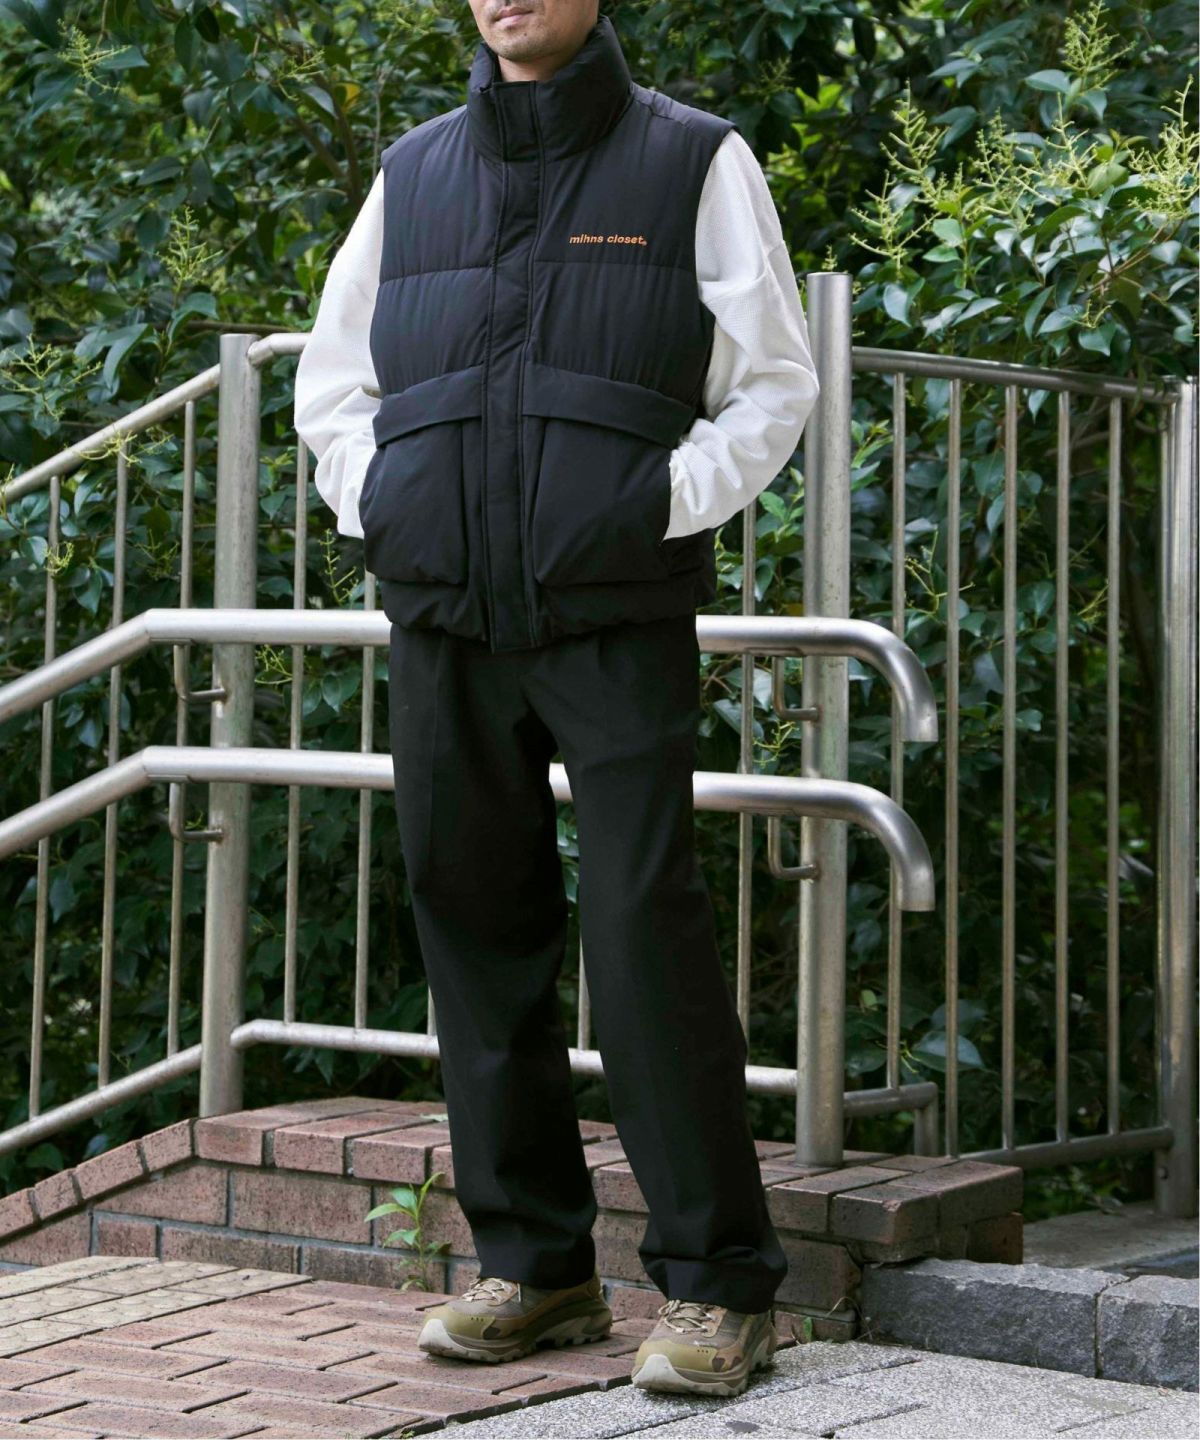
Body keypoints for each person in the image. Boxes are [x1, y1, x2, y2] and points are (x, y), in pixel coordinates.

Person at [293, 0, 819, 1399]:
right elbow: (334, 384)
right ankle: (537, 1267)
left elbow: (774, 380)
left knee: (645, 933)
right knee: (475, 935)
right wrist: (385, 503)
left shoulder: (690, 158)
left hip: (615, 611)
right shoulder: (413, 173)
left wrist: (657, 505)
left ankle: (719, 1286)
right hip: (445, 610)